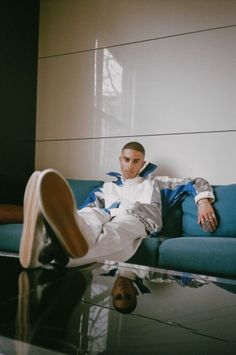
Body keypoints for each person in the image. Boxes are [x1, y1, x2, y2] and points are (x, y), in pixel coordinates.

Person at [19, 141, 218, 269]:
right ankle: (51, 236)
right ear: (120, 160)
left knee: (117, 228)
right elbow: (84, 213)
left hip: (137, 218)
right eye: (126, 159)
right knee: (90, 215)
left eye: (135, 161)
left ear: (143, 164)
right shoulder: (105, 188)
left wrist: (203, 201)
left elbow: (196, 182)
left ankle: (52, 253)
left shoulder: (156, 183)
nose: (130, 165)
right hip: (105, 212)